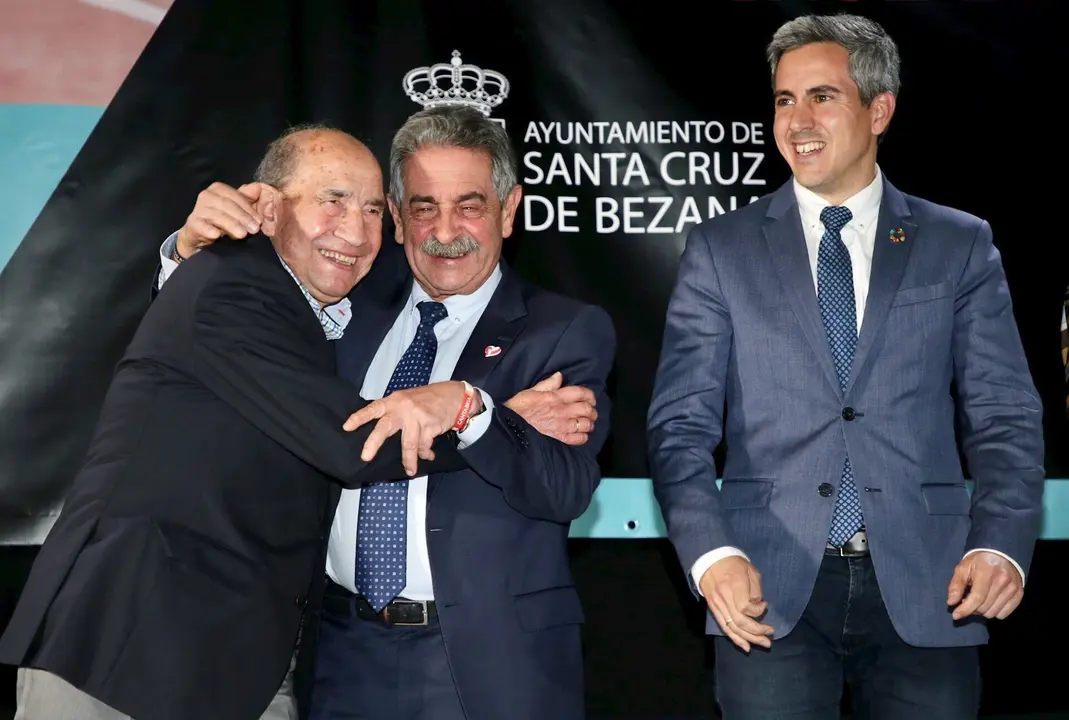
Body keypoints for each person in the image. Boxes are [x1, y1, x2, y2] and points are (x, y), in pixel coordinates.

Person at [0, 128, 477, 720]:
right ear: (266, 207)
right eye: (332, 200)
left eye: (373, 208)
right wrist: (481, 416)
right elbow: (353, 445)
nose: (355, 231)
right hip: (125, 646)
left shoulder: (326, 305)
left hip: (232, 657)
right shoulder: (234, 283)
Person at [160, 105, 616, 720]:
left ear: (509, 212)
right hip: (339, 648)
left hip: (490, 663)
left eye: (471, 205)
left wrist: (471, 409)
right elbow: (227, 345)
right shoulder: (339, 307)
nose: (443, 229)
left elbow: (563, 490)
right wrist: (185, 259)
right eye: (423, 207)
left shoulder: (562, 331)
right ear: (397, 220)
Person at [647, 13, 1044, 719]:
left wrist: (1000, 545)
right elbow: (678, 427)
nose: (796, 119)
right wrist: (711, 557)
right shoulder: (719, 250)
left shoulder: (956, 243)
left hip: (932, 589)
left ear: (878, 108)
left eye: (820, 96)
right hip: (765, 593)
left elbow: (1003, 414)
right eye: (782, 100)